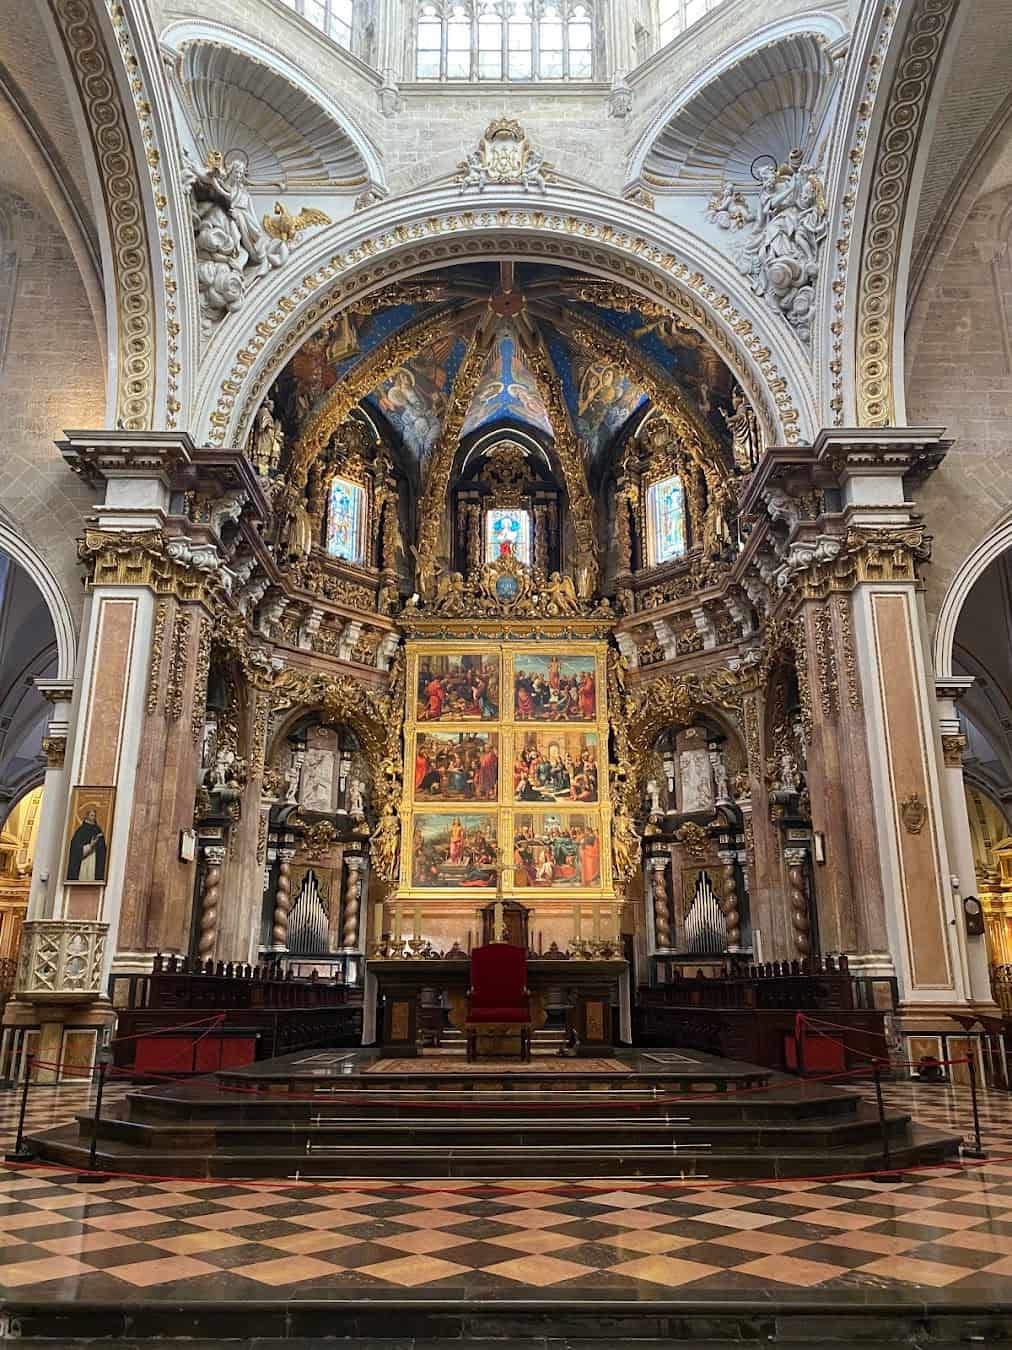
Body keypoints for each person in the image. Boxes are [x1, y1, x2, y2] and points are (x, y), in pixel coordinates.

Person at [67, 806, 107, 882]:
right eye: (92, 815)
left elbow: (103, 848)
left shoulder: (98, 829)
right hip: (84, 861)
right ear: (87, 816)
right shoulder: (81, 831)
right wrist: (90, 846)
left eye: (94, 816)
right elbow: (75, 850)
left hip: (94, 859)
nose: (93, 817)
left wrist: (99, 845)